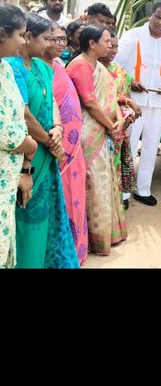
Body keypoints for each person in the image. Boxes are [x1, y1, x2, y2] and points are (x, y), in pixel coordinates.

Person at [7, 14, 79, 268]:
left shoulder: (40, 67)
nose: (51, 45)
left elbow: (52, 104)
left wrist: (58, 126)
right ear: (27, 38)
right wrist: (49, 141)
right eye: (46, 39)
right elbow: (23, 114)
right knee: (26, 216)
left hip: (46, 152)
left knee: (45, 215)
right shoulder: (12, 69)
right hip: (28, 152)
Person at [115, 1, 161, 205]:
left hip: (159, 102)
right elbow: (116, 64)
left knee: (151, 146)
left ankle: (143, 189)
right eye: (158, 17)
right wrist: (130, 82)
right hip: (133, 100)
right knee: (128, 145)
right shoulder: (133, 35)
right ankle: (124, 192)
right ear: (150, 16)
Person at [67, 24, 127, 256]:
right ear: (92, 44)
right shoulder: (81, 65)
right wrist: (111, 126)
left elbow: (110, 98)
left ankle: (105, 234)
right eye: (105, 41)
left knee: (102, 181)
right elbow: (91, 103)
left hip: (100, 129)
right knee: (94, 184)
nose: (109, 45)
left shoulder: (96, 66)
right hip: (88, 132)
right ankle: (94, 240)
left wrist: (117, 120)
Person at [44, 23, 89, 265]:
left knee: (76, 198)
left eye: (63, 39)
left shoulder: (60, 65)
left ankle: (76, 251)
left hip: (74, 150)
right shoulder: (38, 70)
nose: (60, 44)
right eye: (54, 39)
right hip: (55, 149)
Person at [0, 4, 38, 269]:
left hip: (8, 176)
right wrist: (31, 143)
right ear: (2, 34)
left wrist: (26, 165)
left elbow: (16, 117)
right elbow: (5, 130)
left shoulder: (5, 69)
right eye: (20, 35)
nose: (23, 41)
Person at [103, 33, 142, 208]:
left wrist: (128, 113)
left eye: (116, 46)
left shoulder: (119, 69)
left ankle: (118, 198)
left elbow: (126, 92)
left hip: (121, 127)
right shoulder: (92, 68)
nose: (114, 50)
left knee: (117, 164)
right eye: (110, 45)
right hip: (101, 127)